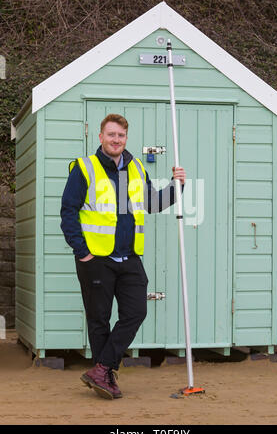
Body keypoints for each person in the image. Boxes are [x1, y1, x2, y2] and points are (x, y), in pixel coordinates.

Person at [60, 113, 186, 400]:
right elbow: (68, 211)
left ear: (126, 139)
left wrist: (176, 186)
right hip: (96, 259)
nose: (116, 140)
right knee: (99, 319)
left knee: (136, 312)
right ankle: (106, 376)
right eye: (111, 134)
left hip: (129, 258)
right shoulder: (84, 168)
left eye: (121, 135)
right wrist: (82, 252)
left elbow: (153, 204)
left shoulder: (136, 167)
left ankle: (102, 368)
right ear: (101, 137)